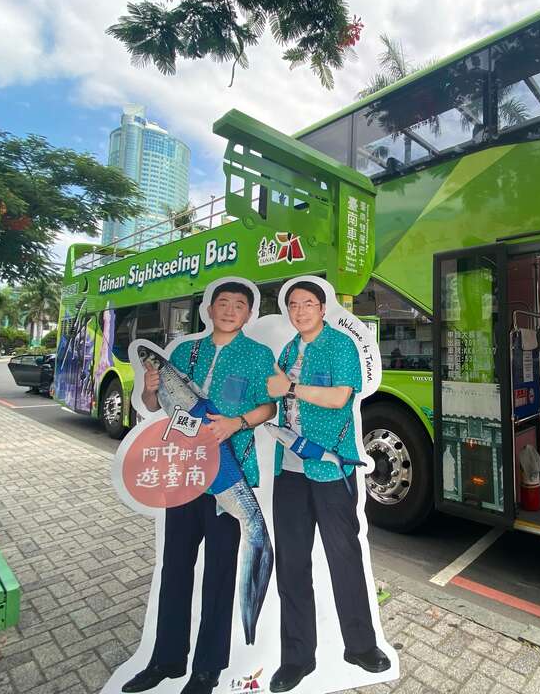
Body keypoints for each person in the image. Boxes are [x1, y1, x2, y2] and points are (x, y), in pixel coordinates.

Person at [122, 282, 276, 694]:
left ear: (248, 314)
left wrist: (236, 423)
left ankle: (207, 669)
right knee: (174, 567)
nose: (229, 310)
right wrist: (150, 387)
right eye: (222, 303)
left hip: (228, 477)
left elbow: (269, 406)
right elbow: (156, 406)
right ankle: (166, 659)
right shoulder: (185, 352)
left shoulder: (259, 355)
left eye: (239, 305)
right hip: (184, 473)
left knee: (220, 574)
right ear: (209, 309)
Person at [265, 280, 390, 693]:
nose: (300, 311)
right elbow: (273, 398)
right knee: (292, 564)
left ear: (322, 308)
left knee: (344, 558)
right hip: (289, 471)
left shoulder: (340, 346)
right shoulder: (287, 352)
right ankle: (297, 658)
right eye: (293, 305)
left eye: (308, 304)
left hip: (331, 471)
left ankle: (361, 647)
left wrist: (290, 388)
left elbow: (340, 397)